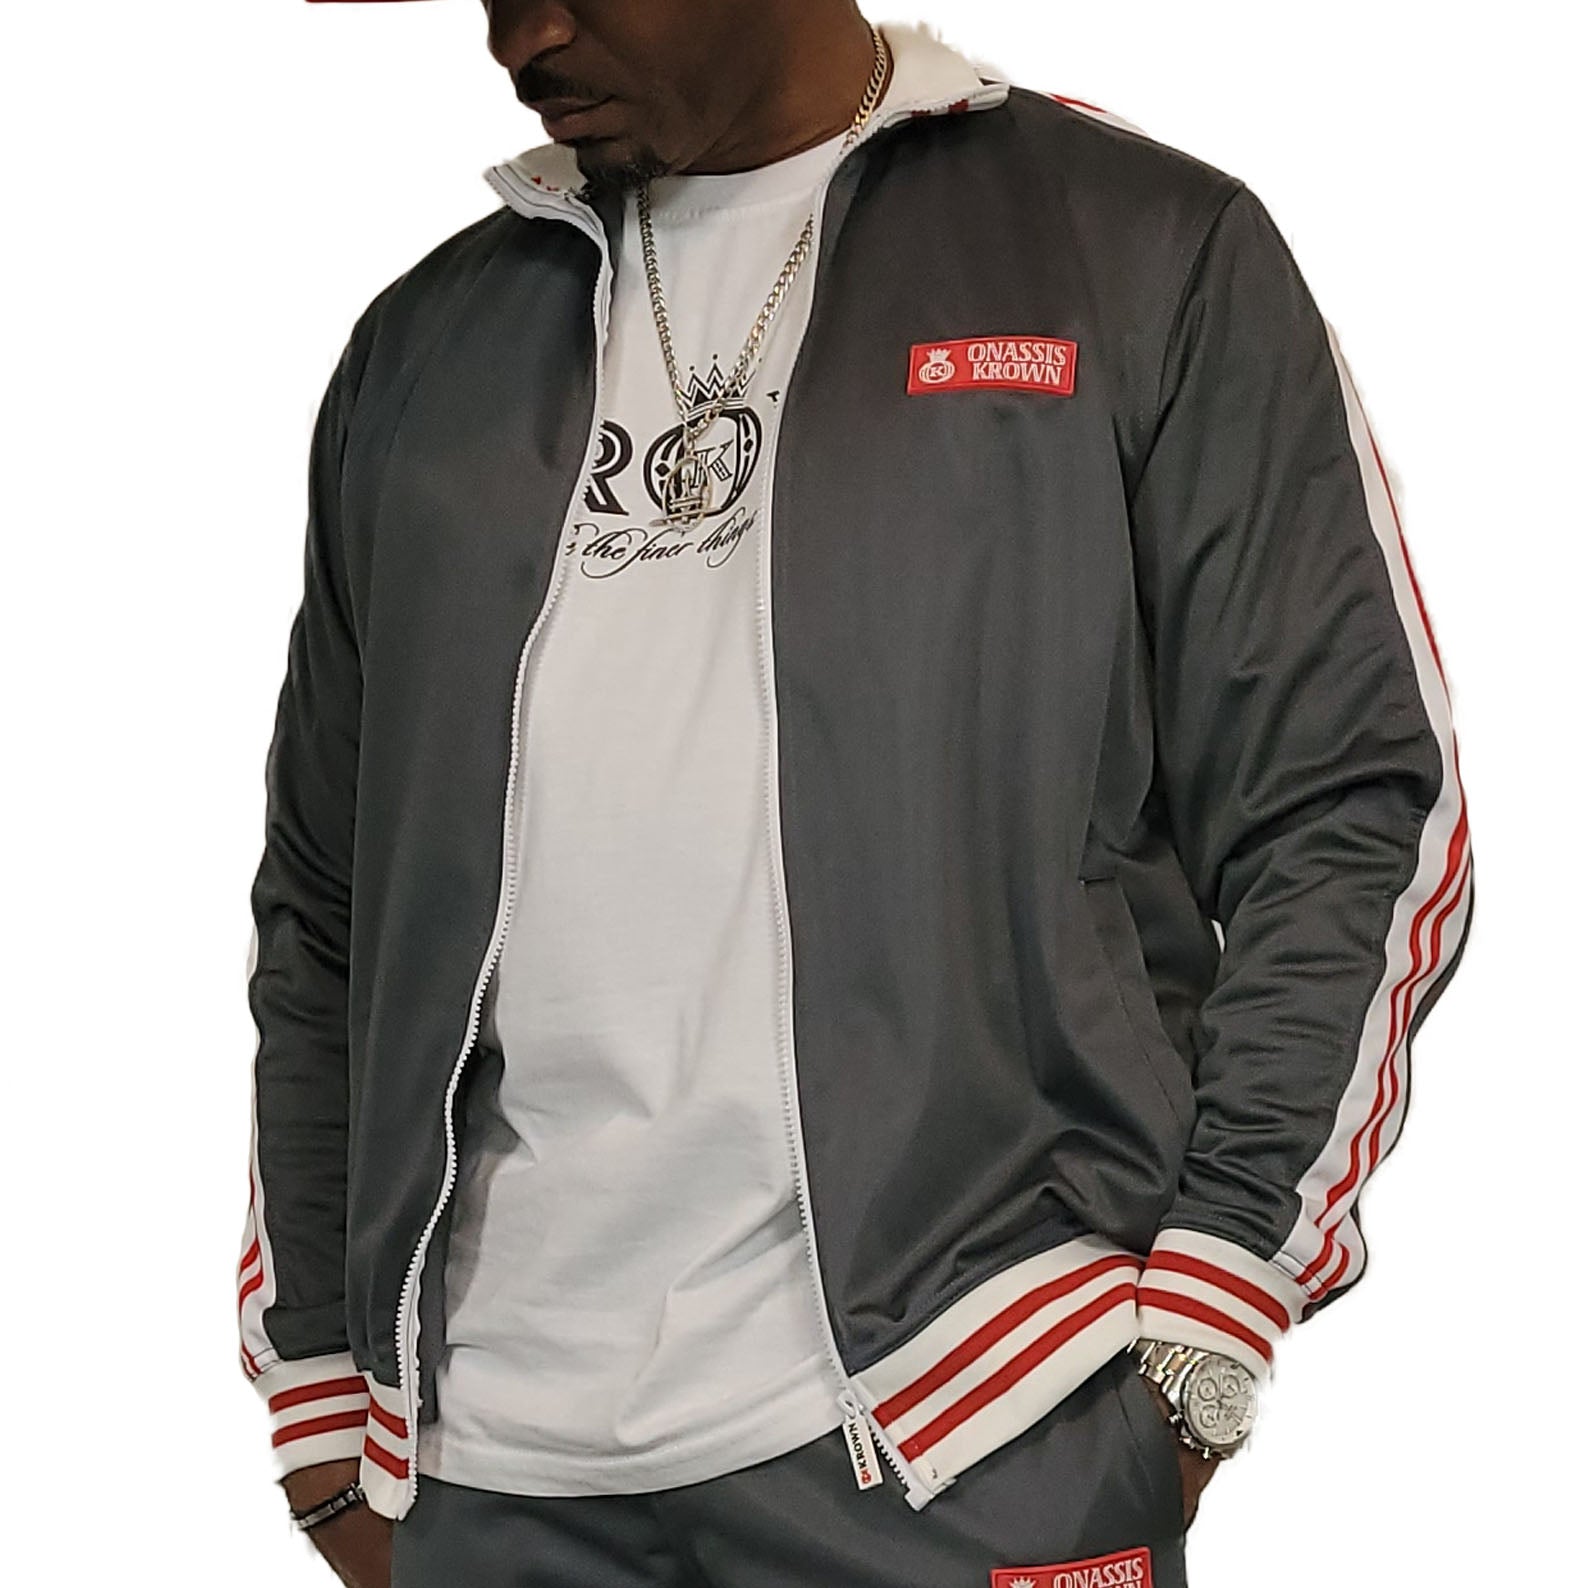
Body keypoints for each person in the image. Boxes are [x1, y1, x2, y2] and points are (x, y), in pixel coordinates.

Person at [238, 4, 1475, 1585]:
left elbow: (1348, 801)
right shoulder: (425, 351)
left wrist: (1223, 1291)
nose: (517, 31)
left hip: (975, 1412)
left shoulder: (1130, 250)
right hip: (487, 1480)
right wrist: (321, 1379)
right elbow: (325, 904)